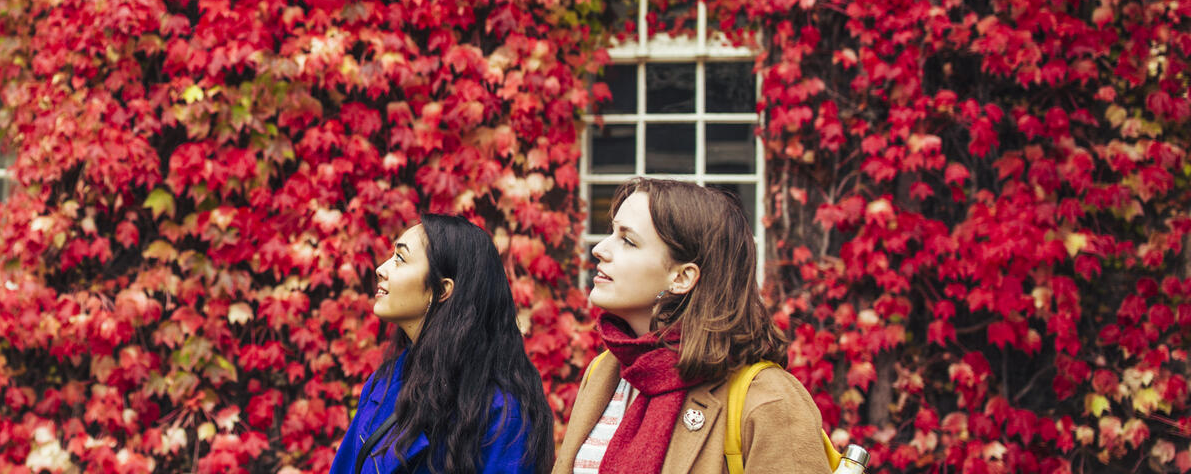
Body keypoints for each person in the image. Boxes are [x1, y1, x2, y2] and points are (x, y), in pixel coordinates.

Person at [551, 178, 832, 474]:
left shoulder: (768, 399)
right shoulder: (604, 373)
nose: (600, 249)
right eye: (611, 233)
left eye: (628, 240)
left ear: (682, 278)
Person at [333, 214, 556, 474]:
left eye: (400, 259)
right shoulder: (384, 384)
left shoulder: (500, 413)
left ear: (442, 290)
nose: (381, 268)